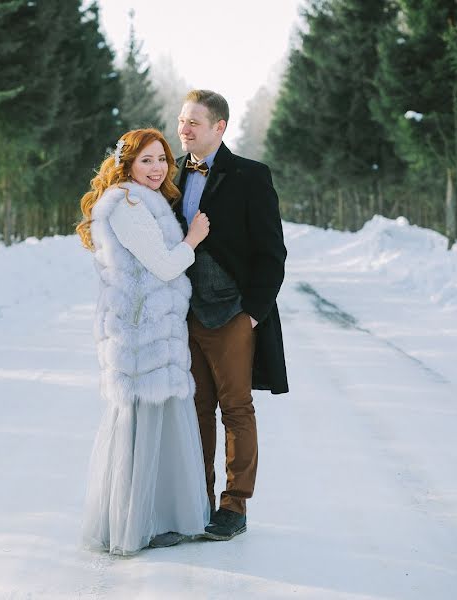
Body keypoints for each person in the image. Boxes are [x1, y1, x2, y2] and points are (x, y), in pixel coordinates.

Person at [78, 128, 212, 555]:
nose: (157, 169)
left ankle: (153, 519)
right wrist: (193, 238)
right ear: (128, 165)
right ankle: (134, 525)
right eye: (147, 160)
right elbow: (164, 265)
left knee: (154, 428)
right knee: (141, 428)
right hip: (142, 336)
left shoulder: (145, 200)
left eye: (162, 160)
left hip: (154, 333)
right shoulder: (127, 203)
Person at [175, 90, 289, 541]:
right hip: (184, 314)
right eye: (182, 120)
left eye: (194, 123)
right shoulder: (170, 175)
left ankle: (234, 505)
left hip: (232, 314)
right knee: (195, 410)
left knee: (235, 408)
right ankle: (197, 499)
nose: (184, 129)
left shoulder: (251, 176)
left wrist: (253, 314)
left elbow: (272, 252)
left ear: (219, 127)